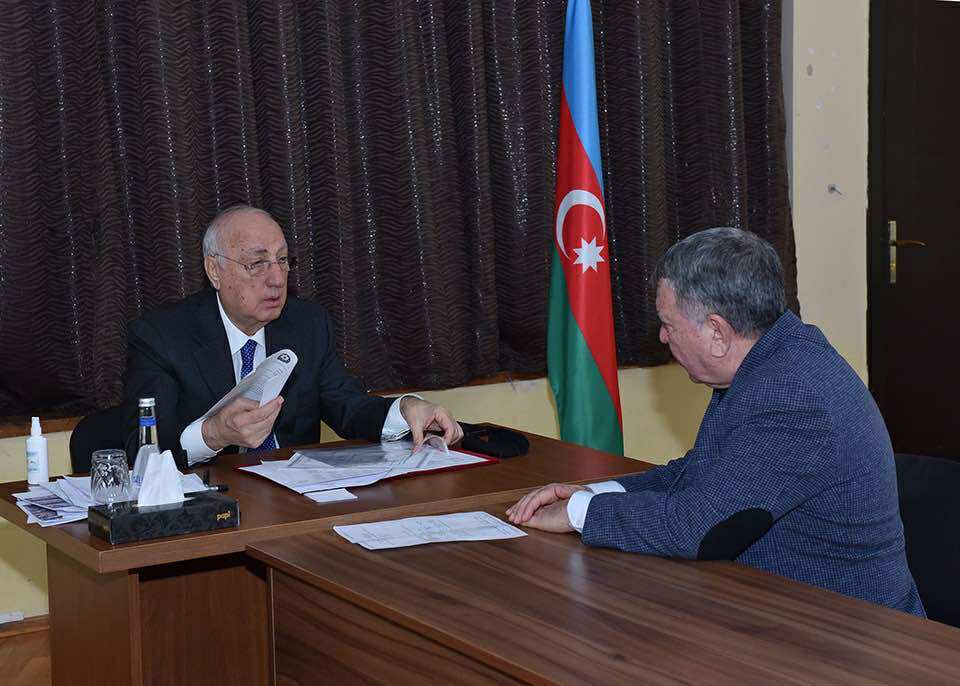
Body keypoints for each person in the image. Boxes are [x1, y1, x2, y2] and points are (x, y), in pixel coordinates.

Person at [507, 227, 924, 616]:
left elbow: (699, 526)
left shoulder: (792, 395)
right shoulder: (768, 356)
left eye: (668, 324)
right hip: (775, 609)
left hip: (848, 633)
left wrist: (580, 513)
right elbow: (699, 473)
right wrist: (595, 492)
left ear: (718, 333)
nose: (662, 337)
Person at [123, 205, 463, 468]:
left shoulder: (306, 324)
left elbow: (348, 406)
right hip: (210, 509)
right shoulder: (161, 336)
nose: (276, 279)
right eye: (257, 264)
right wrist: (212, 434)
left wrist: (406, 409)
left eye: (282, 261)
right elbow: (143, 446)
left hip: (293, 501)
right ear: (214, 270)